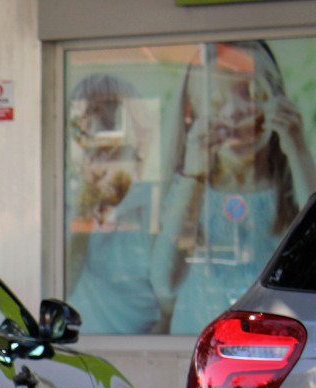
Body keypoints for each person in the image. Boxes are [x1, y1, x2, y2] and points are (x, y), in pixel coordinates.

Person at [152, 41, 316, 335]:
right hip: (198, 344)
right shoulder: (189, 184)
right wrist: (194, 175)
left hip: (277, 348)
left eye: (250, 93)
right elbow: (165, 282)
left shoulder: (296, 180)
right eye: (215, 101)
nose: (236, 111)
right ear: (193, 114)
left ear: (276, 97)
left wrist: (298, 149)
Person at [65, 73, 161, 334]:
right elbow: (61, 286)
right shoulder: (65, 203)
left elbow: (169, 315)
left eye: (108, 120)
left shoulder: (153, 209)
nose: (100, 153)